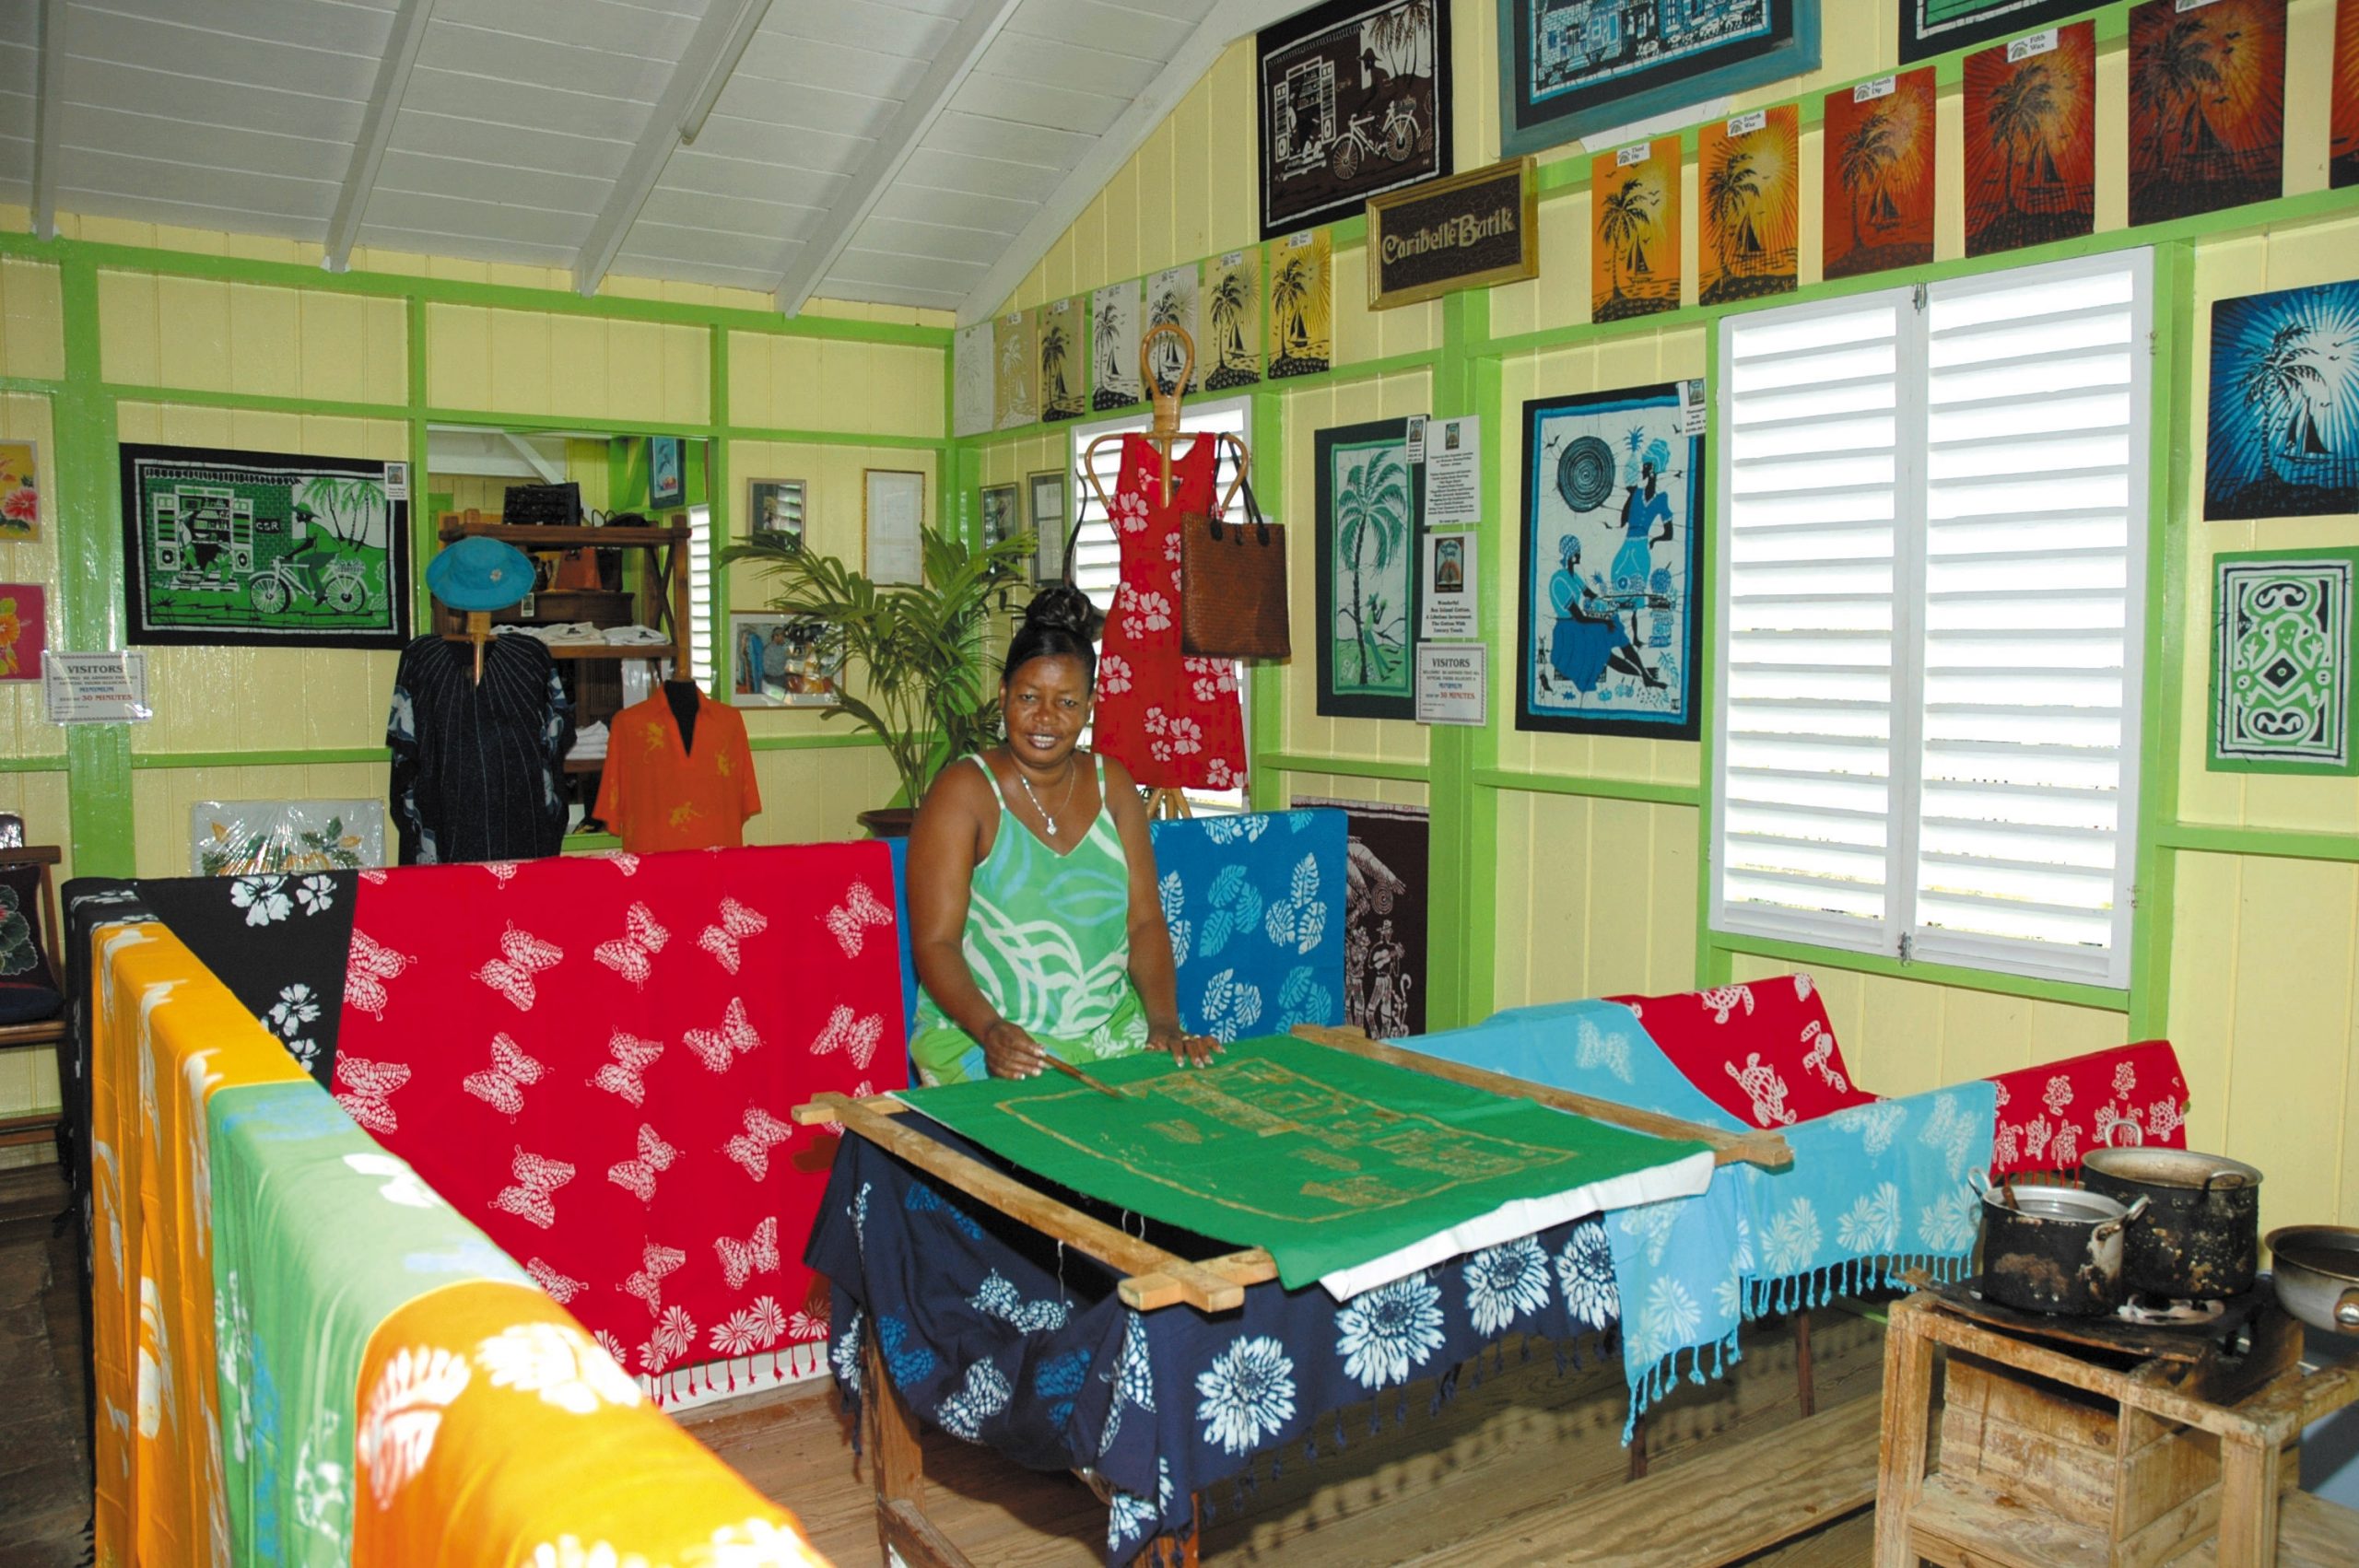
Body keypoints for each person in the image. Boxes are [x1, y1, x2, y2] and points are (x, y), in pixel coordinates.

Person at [906, 585, 1219, 1085]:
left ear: (1090, 705)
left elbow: (1143, 923)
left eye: (1067, 702)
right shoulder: (963, 793)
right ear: (1003, 695)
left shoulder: (1114, 786)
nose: (1046, 718)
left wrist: (1163, 1024)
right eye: (1029, 697)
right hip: (985, 1040)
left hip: (1109, 1037)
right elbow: (936, 943)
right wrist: (990, 1030)